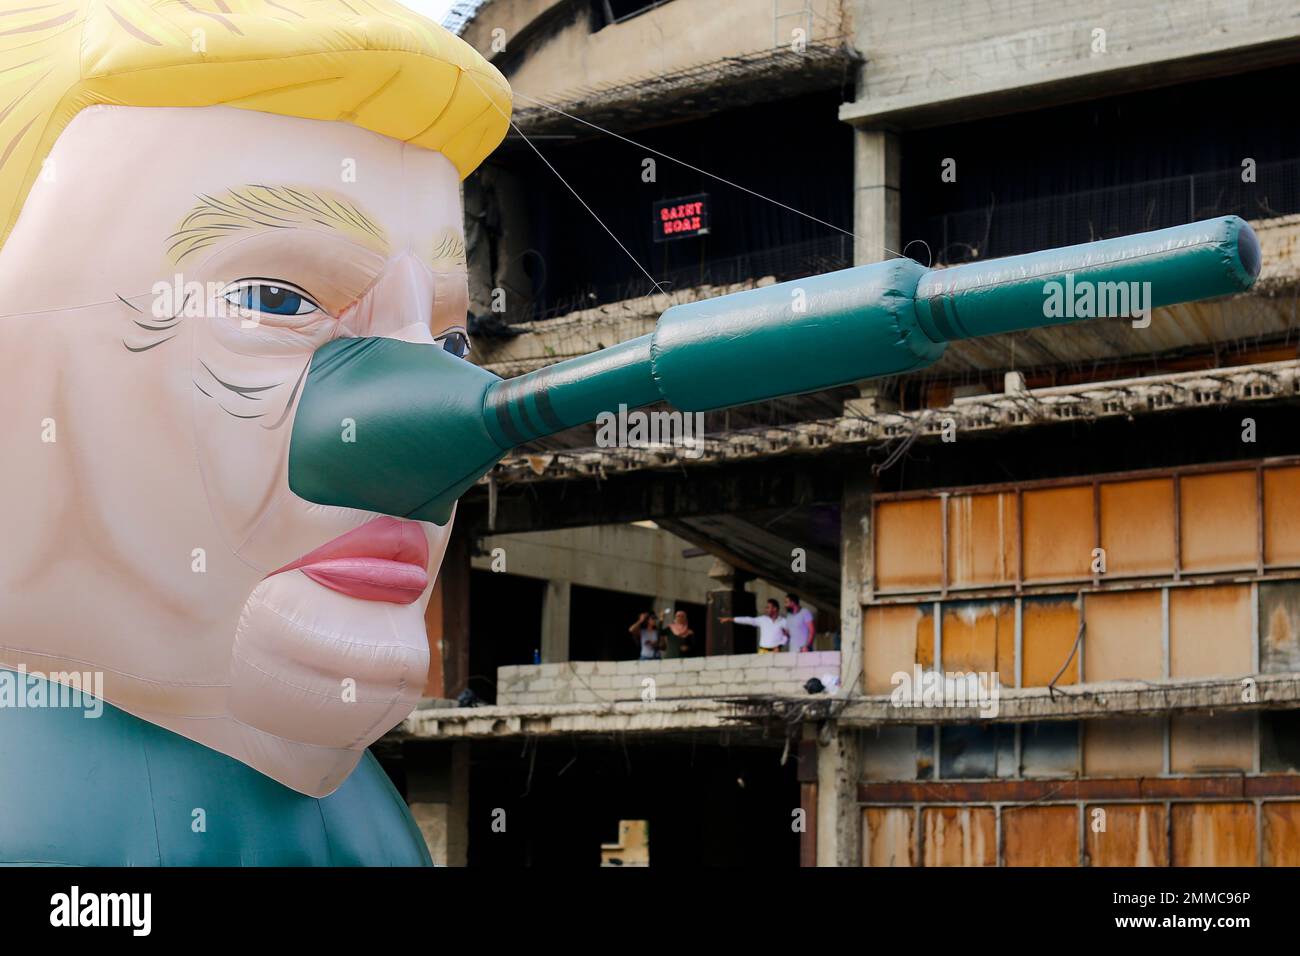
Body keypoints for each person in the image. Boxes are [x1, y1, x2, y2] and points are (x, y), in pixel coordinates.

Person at [721, 599, 790, 653]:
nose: (766, 609)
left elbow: (787, 635)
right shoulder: (762, 619)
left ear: (775, 609)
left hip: (776, 651)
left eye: (768, 607)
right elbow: (747, 620)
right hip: (763, 651)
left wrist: (780, 646)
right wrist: (730, 619)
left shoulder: (784, 621)